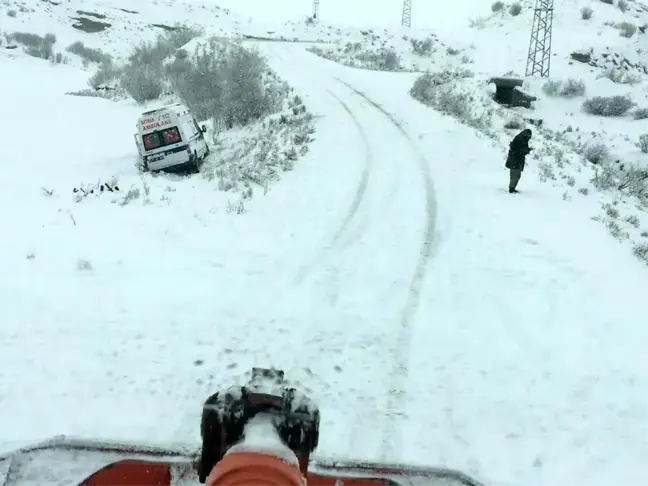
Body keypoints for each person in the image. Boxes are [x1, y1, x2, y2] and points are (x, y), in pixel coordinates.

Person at [505, 128, 532, 193]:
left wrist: (527, 150)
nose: (529, 137)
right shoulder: (520, 139)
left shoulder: (520, 138)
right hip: (515, 160)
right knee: (516, 175)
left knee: (514, 175)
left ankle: (512, 188)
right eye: (529, 136)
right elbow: (520, 150)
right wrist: (527, 150)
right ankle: (512, 189)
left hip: (515, 160)